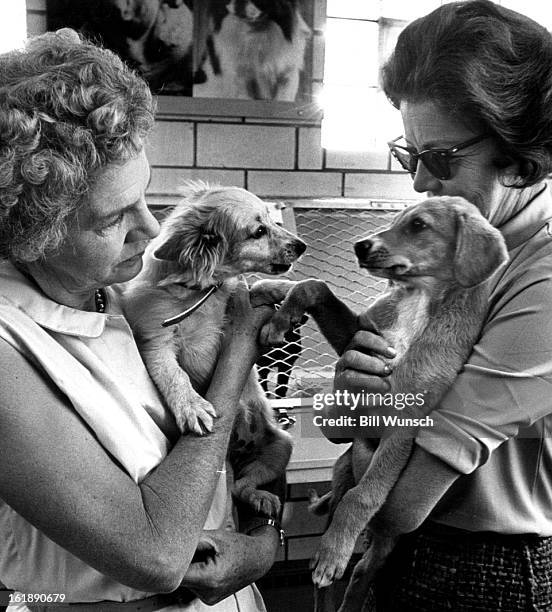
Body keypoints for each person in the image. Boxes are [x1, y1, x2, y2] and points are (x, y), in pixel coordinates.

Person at [0, 29, 281, 612]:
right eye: (113, 219)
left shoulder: (126, 293)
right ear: (34, 232)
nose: (153, 231)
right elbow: (154, 554)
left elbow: (242, 463)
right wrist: (238, 352)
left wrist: (262, 548)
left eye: (146, 196)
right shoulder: (10, 342)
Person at [329, 1, 552, 609]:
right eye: (411, 154)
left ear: (519, 150)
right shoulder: (444, 262)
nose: (420, 183)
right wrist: (358, 397)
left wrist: (373, 409)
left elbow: (403, 500)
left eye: (441, 158)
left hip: (488, 573)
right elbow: (339, 425)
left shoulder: (544, 279)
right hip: (404, 554)